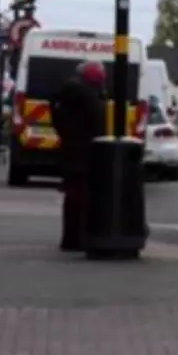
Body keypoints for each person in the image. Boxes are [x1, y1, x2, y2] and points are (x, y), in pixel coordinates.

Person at [50, 60, 106, 252]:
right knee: (83, 197)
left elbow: (57, 118)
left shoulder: (65, 94)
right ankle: (80, 237)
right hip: (86, 153)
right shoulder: (90, 97)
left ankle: (70, 238)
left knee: (72, 196)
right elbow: (97, 124)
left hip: (69, 151)